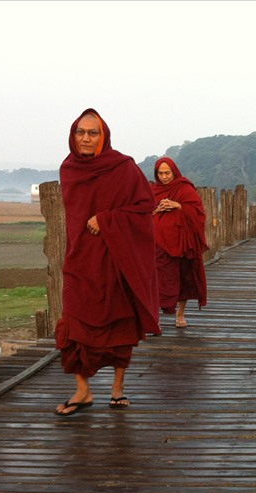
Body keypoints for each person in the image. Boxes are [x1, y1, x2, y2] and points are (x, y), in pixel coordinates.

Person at [53, 108, 161, 416]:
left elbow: (144, 204)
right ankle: (83, 390)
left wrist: (107, 219)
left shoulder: (123, 167)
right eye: (81, 132)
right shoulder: (69, 169)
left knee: (118, 322)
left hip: (115, 258)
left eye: (93, 133)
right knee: (73, 321)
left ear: (104, 136)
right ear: (73, 135)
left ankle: (117, 389)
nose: (86, 138)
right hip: (80, 257)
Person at [152, 157, 208, 329]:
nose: (164, 177)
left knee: (184, 278)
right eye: (160, 173)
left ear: (174, 171)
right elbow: (140, 216)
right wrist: (156, 210)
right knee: (157, 280)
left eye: (167, 173)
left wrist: (178, 205)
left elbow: (198, 213)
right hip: (159, 244)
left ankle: (180, 314)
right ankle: (155, 320)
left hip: (183, 243)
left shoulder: (184, 189)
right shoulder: (152, 191)